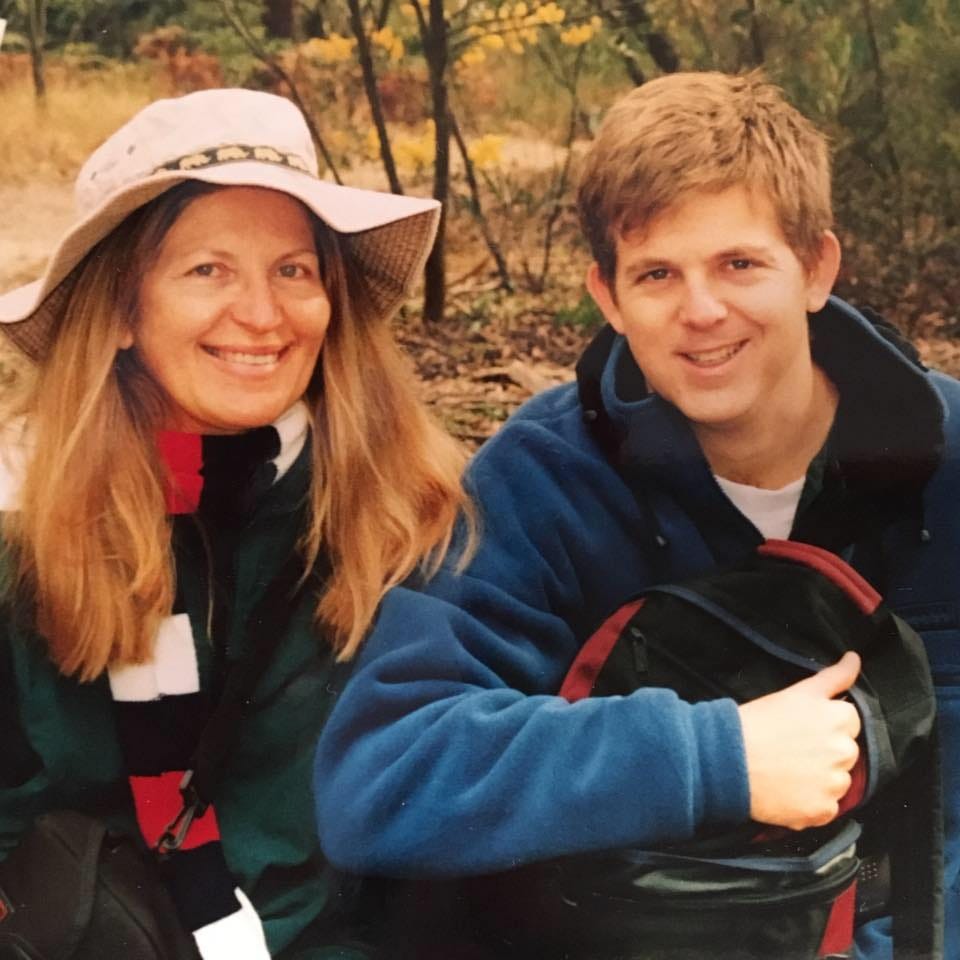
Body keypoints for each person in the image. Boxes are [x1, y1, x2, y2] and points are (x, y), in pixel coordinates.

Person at [313, 71, 960, 958]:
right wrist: (712, 759)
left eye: (740, 263)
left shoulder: (945, 458)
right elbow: (381, 776)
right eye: (658, 274)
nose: (701, 312)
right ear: (609, 298)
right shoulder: (547, 477)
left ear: (816, 268)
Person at [0, 88, 472, 959]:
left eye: (293, 269)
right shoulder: (28, 528)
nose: (262, 315)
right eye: (208, 269)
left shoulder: (404, 509)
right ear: (119, 313)